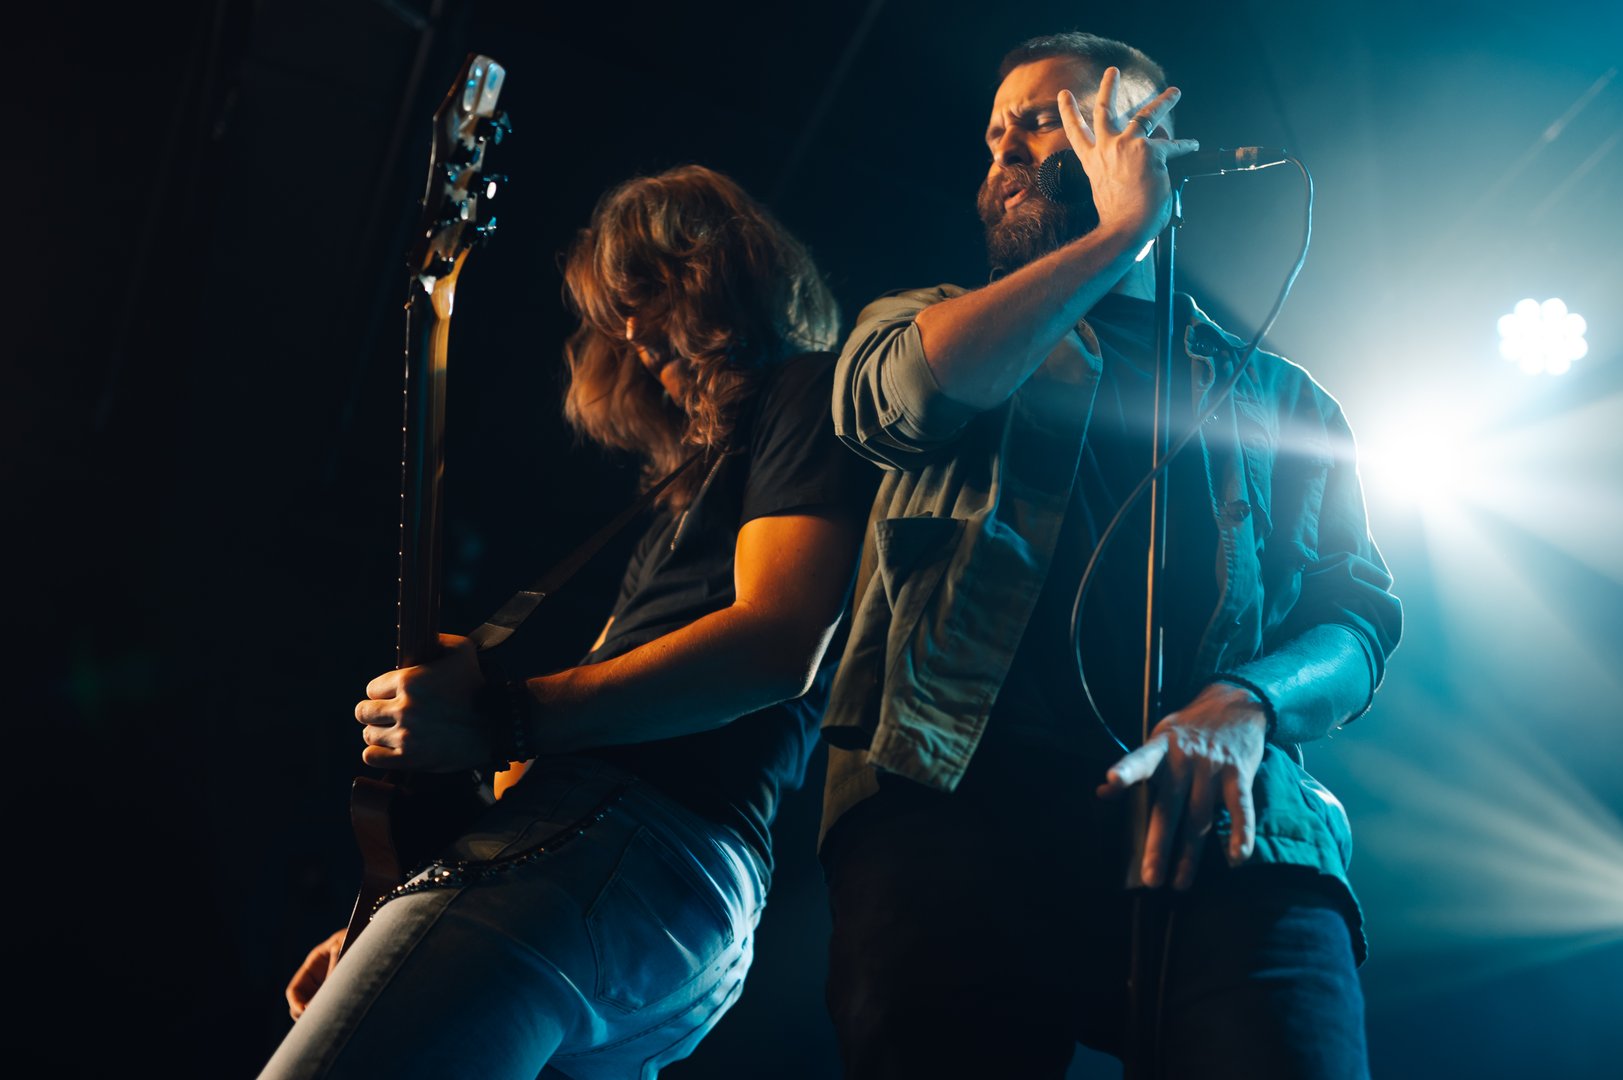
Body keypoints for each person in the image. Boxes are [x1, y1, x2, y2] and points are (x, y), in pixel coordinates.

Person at [818, 32, 1403, 1079]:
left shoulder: (1284, 400)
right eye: (996, 133)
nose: (1006, 151)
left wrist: (1247, 704)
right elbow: (906, 401)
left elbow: (1356, 622)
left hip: (1229, 826)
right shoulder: (920, 324)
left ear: (1153, 137)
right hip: (956, 806)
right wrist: (1125, 232)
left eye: (1047, 119)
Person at [259, 164, 877, 1079]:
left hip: (626, 837)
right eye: (615, 314)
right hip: (667, 910)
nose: (630, 333)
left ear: (718, 275)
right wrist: (384, 911)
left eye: (648, 294)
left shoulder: (802, 391)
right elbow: (537, 756)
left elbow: (776, 645)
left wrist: (499, 714)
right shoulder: (681, 499)